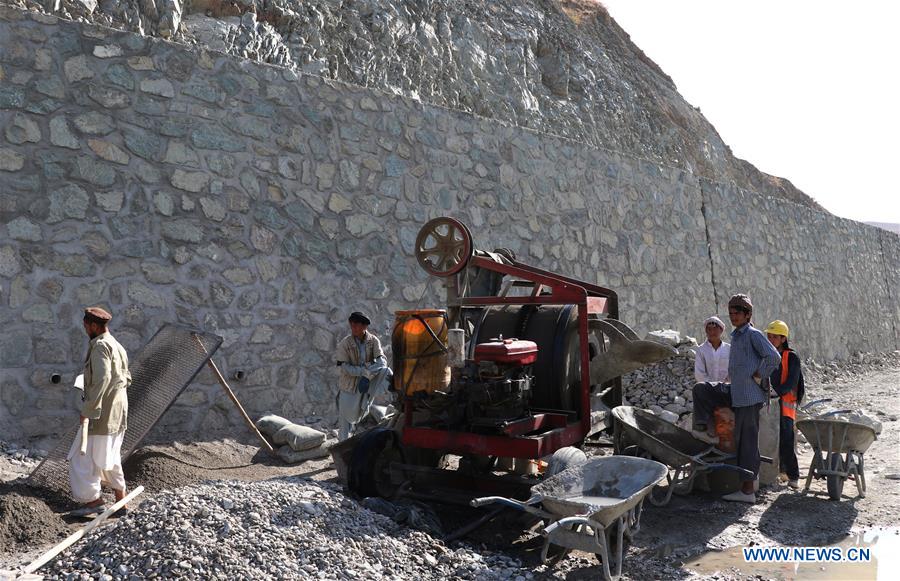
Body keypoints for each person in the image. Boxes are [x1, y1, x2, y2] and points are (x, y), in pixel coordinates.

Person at [692, 294, 780, 503]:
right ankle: (705, 428)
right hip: (734, 391)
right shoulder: (737, 336)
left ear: (748, 314)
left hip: (749, 397)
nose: (733, 317)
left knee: (747, 442)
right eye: (731, 313)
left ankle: (747, 490)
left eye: (737, 313)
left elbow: (773, 357)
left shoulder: (753, 334)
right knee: (702, 389)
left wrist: (759, 375)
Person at [67, 307, 131, 517]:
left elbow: (102, 378)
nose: (85, 329)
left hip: (101, 413)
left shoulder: (101, 346)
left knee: (80, 458)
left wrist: (88, 410)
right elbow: (126, 378)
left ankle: (94, 502)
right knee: (109, 456)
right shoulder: (117, 345)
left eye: (86, 326)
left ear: (94, 326)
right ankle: (121, 502)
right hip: (116, 411)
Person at [335, 311, 393, 441]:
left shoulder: (373, 341)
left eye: (357, 325)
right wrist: (364, 372)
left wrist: (368, 375)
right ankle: (341, 447)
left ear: (364, 327)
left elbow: (382, 361)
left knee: (386, 371)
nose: (354, 328)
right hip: (349, 385)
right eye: (352, 325)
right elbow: (345, 368)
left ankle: (396, 398)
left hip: (367, 382)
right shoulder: (345, 344)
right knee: (345, 419)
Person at [765, 320, 804, 489]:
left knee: (787, 439)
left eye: (774, 337)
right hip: (770, 403)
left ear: (783, 339)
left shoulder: (791, 356)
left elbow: (792, 381)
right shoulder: (767, 356)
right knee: (772, 438)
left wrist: (777, 392)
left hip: (785, 404)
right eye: (769, 336)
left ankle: (793, 475)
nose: (771, 339)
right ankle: (780, 472)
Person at [695, 315, 731, 384]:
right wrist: (712, 385)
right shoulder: (701, 350)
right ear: (706, 331)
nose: (712, 332)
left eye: (715, 329)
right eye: (709, 329)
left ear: (721, 330)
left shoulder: (729, 349)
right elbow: (699, 374)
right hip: (708, 389)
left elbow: (733, 370)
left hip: (726, 388)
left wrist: (725, 384)